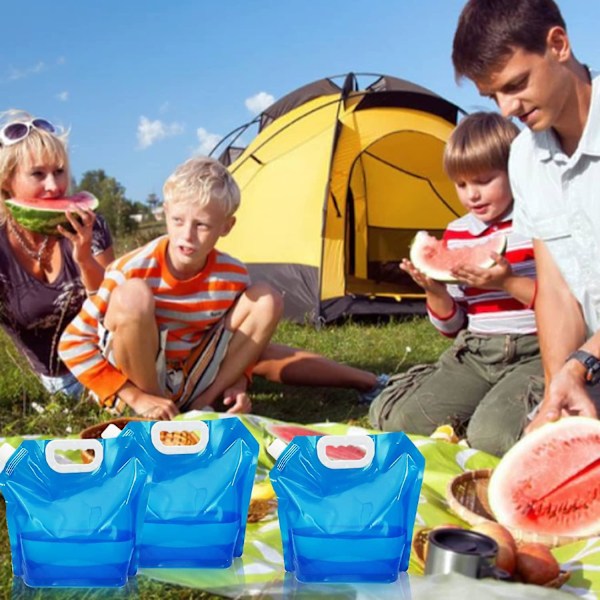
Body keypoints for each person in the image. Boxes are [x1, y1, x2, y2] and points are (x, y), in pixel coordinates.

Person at [452, 0, 600, 431]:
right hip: (590, 360)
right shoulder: (523, 158)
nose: (505, 109)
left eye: (516, 84)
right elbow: (553, 290)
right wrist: (557, 395)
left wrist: (581, 365)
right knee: (496, 436)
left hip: (590, 358)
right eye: (492, 95)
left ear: (558, 44)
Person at [59, 155, 286, 419]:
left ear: (226, 226)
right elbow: (72, 343)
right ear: (166, 212)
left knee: (267, 300)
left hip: (193, 381)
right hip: (135, 385)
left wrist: (240, 382)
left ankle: (205, 406)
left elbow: (240, 344)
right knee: (133, 296)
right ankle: (148, 409)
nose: (187, 235)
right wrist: (137, 396)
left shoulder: (233, 275)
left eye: (201, 225)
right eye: (178, 220)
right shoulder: (131, 268)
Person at [368, 112, 540, 456]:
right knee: (396, 418)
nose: (472, 195)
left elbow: (566, 306)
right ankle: (480, 409)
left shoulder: (537, 223)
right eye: (461, 185)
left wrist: (508, 281)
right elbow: (453, 325)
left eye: (483, 181)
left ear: (514, 172)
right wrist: (435, 290)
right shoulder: (458, 233)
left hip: (535, 352)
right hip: (475, 352)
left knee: (492, 439)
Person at [0, 109, 114, 398]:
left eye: (59, 171)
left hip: (112, 359)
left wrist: (85, 257)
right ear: (6, 182)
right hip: (63, 383)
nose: (54, 186)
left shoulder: (90, 224)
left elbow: (116, 308)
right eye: (38, 174)